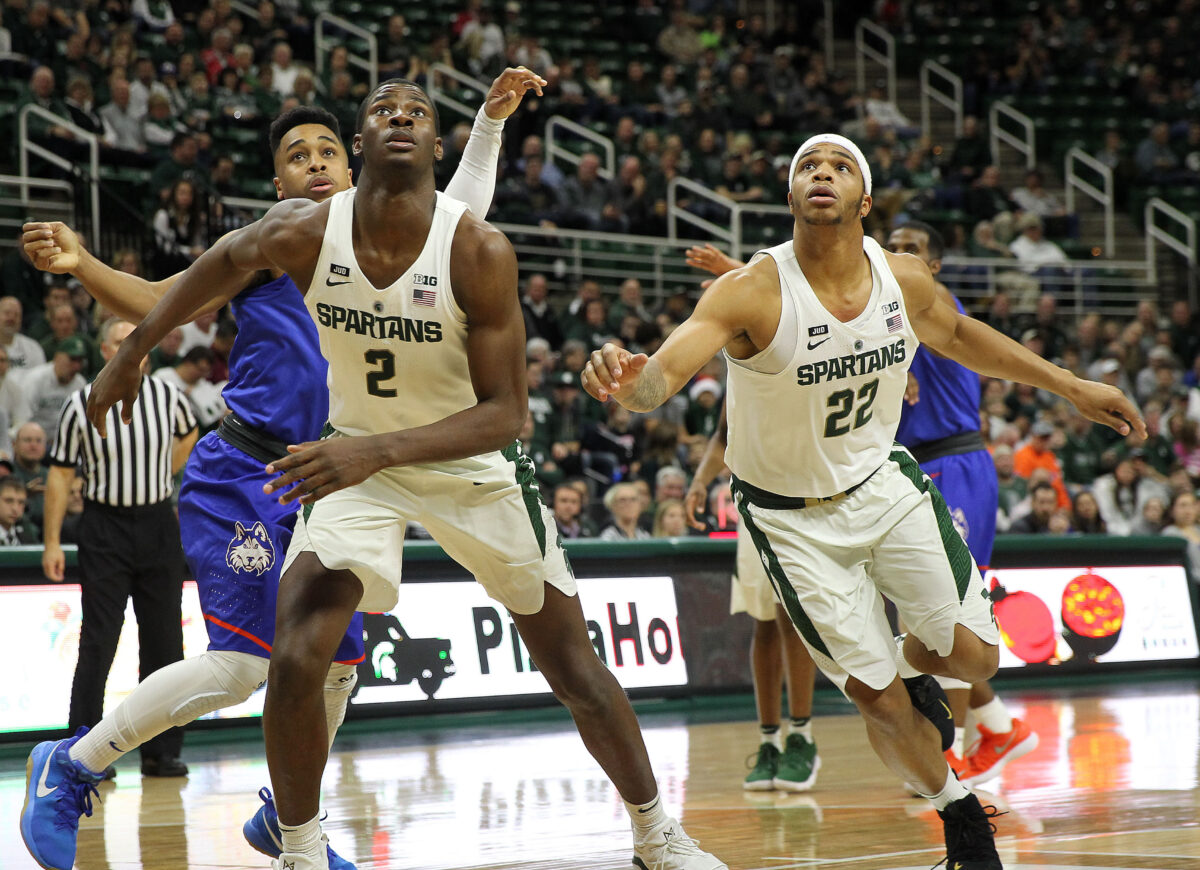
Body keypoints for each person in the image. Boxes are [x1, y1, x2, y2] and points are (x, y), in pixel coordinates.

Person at [85, 76, 723, 870]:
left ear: (434, 145)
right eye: (382, 110)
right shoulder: (308, 231)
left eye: (416, 113)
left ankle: (658, 834)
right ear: (361, 145)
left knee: (569, 661)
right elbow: (215, 265)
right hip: (357, 460)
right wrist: (138, 348)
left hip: (471, 463)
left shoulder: (475, 248)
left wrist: (373, 452)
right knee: (294, 654)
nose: (398, 119)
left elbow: (505, 414)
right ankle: (302, 850)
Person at [20, 70, 545, 870]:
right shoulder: (285, 239)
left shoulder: (397, 237)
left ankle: (286, 816)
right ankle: (73, 763)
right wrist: (88, 267)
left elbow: (461, 209)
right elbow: (168, 295)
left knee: (337, 666)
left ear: (360, 157)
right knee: (243, 668)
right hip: (246, 471)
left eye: (328, 150)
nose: (316, 164)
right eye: (297, 156)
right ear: (278, 184)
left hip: (336, 482)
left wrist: (488, 124)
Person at [582, 133, 1143, 870]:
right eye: (808, 167)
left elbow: (964, 335)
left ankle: (909, 671)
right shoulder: (749, 288)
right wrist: (632, 384)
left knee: (976, 659)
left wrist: (1073, 387)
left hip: (882, 486)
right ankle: (958, 812)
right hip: (789, 520)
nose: (823, 173)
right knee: (877, 701)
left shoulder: (902, 279)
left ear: (865, 200)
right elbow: (667, 372)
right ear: (790, 197)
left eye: (840, 166)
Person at [48, 318, 199, 788]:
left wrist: (163, 472)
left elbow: (190, 435)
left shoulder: (170, 397)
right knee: (98, 642)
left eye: (138, 342)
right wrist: (52, 541)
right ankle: (84, 751)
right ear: (104, 348)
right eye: (120, 341)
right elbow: (58, 475)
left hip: (157, 524)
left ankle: (161, 753)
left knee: (165, 646)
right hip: (104, 528)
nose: (131, 350)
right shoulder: (80, 404)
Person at [684, 401, 821, 793]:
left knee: (788, 619)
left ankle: (802, 737)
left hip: (799, 497)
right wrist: (700, 481)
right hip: (750, 500)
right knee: (762, 622)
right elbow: (724, 434)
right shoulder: (738, 364)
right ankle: (769, 743)